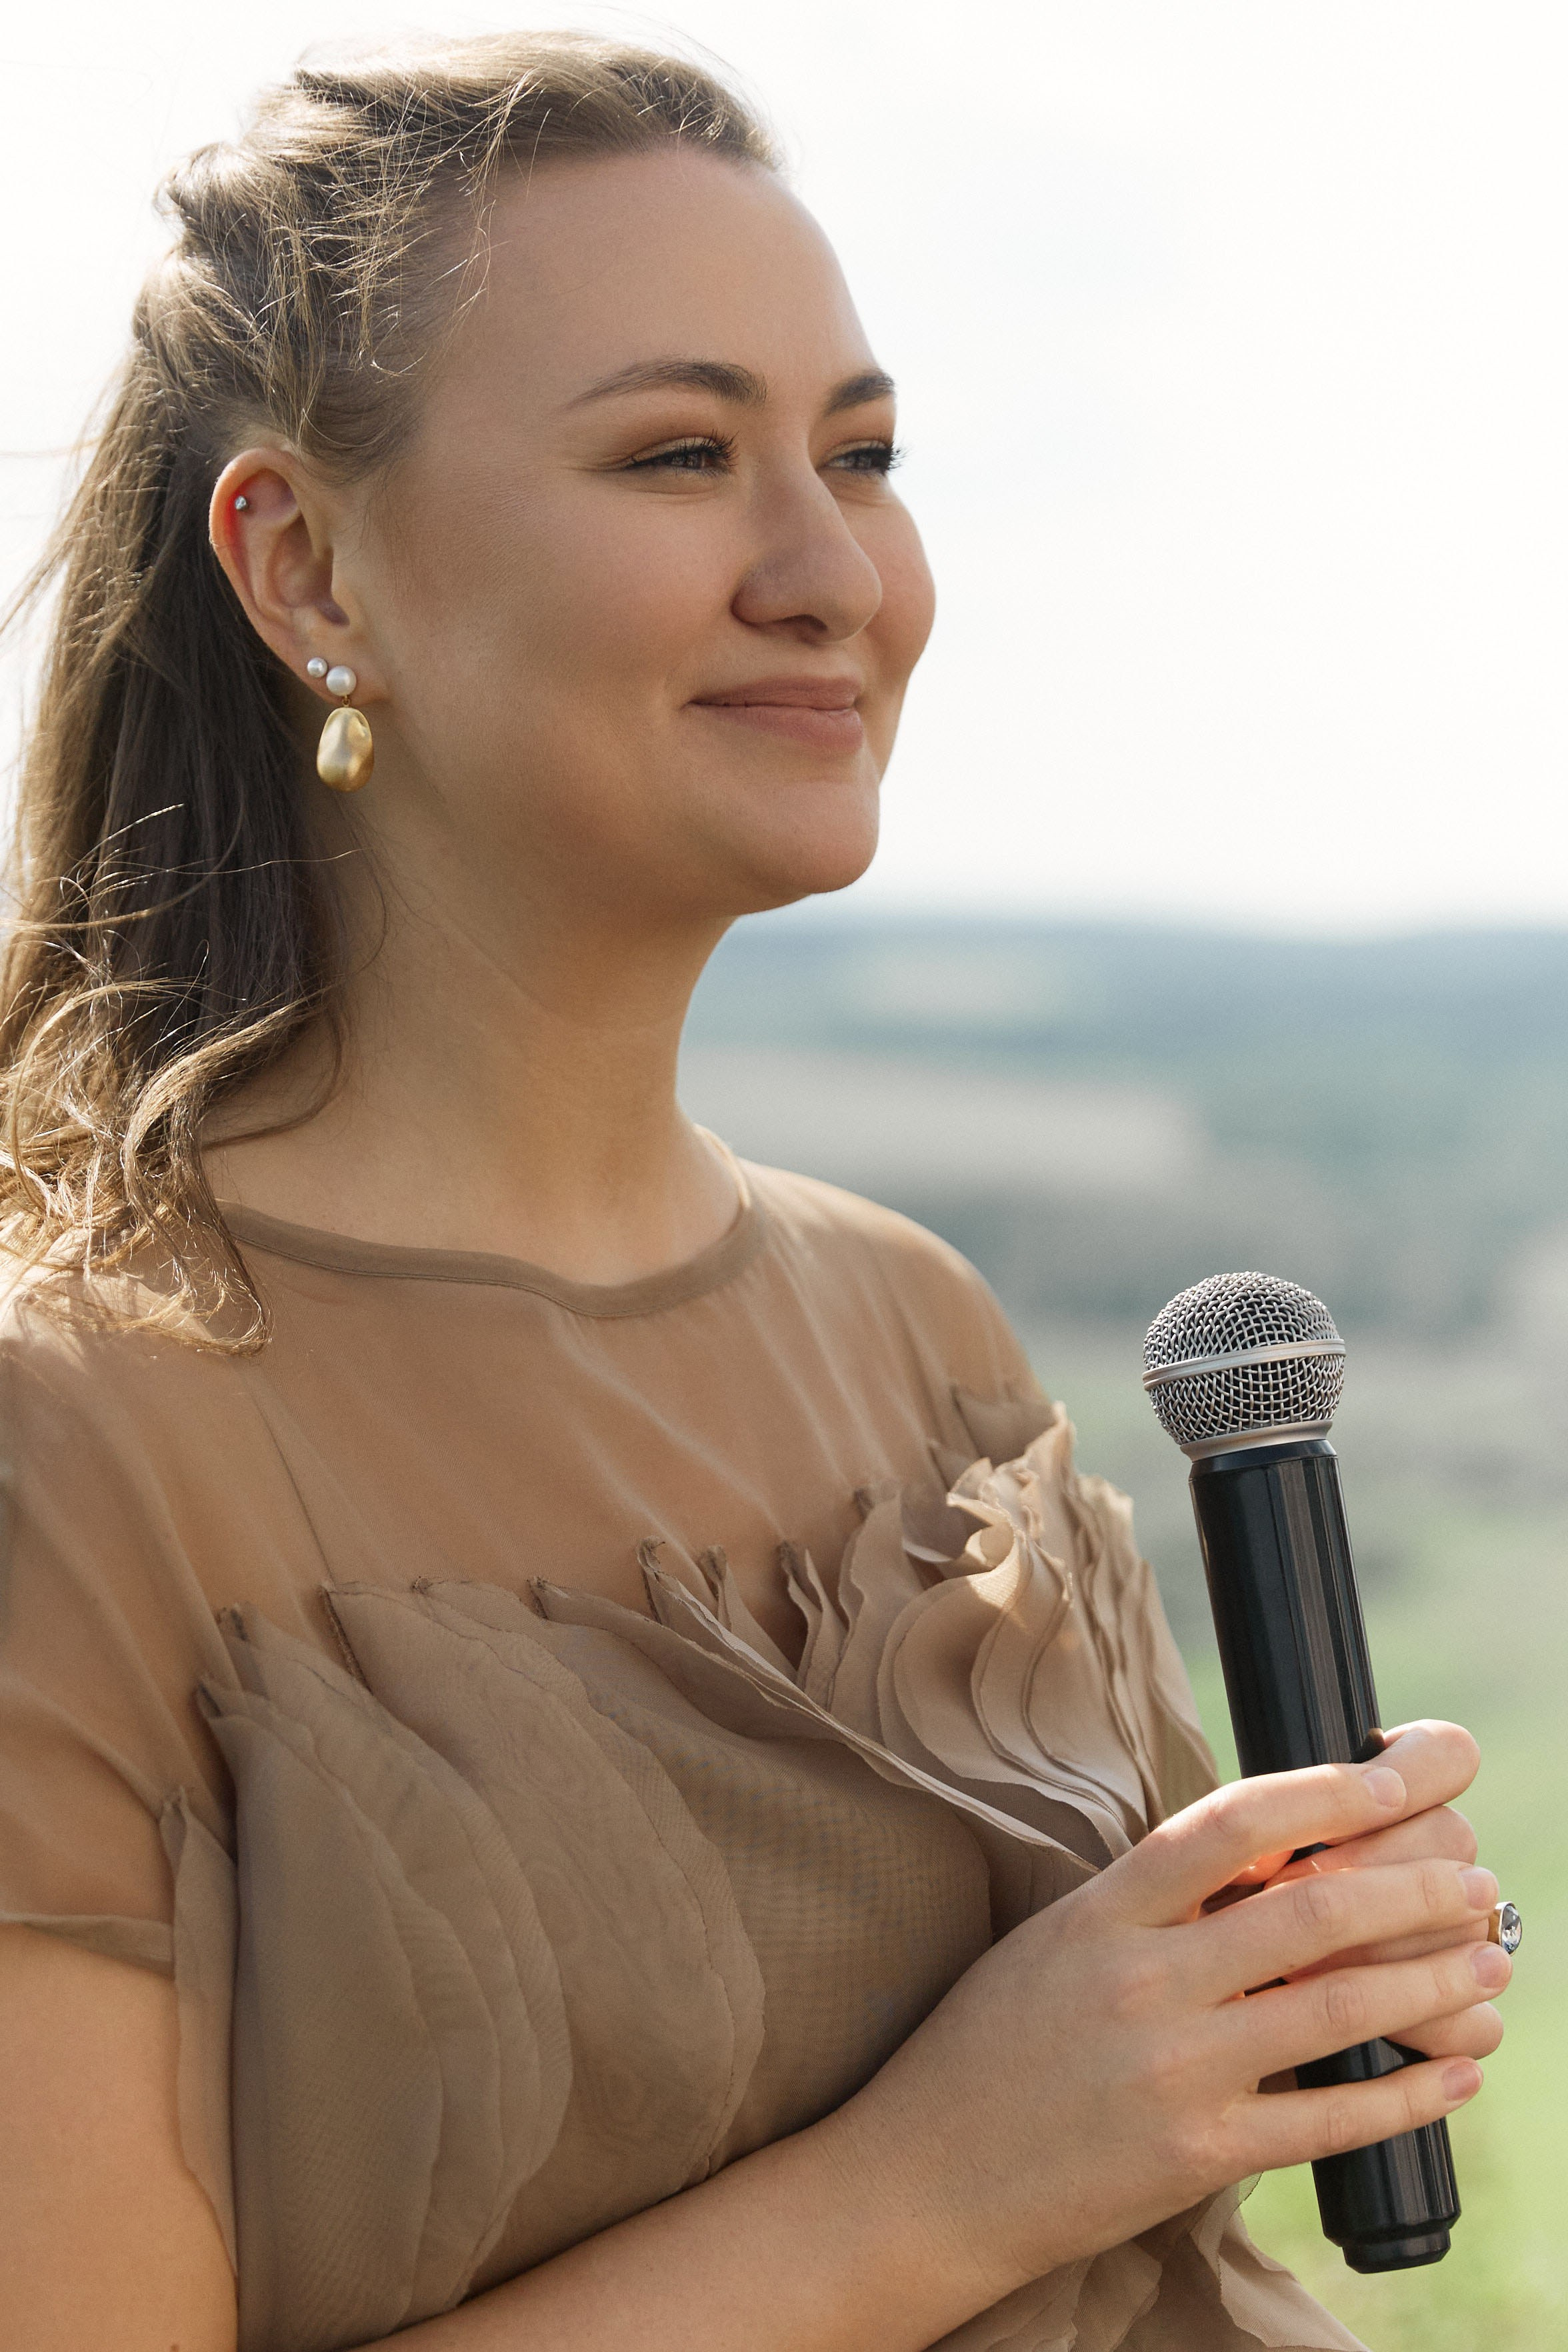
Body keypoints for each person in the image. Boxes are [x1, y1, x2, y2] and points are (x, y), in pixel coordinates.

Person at [0, 33, 1507, 2352]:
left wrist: (1269, 1987)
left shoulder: (916, 1333)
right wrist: (943, 2182)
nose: (834, 572)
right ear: (304, 561)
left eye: (867, 458)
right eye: (683, 456)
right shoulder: (70, 1450)